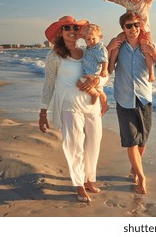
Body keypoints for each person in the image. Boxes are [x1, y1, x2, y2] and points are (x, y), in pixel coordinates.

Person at [39, 16, 106, 203]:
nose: (71, 30)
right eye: (66, 27)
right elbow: (48, 84)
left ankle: (89, 179)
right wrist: (43, 111)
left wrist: (97, 81)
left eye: (75, 28)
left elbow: (104, 74)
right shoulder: (54, 56)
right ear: (60, 32)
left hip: (92, 105)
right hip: (69, 105)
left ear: (80, 32)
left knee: (94, 142)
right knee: (75, 145)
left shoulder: (88, 51)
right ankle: (78, 184)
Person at [107, 11, 156, 194]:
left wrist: (153, 53)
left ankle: (135, 167)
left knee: (142, 141)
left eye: (136, 24)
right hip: (123, 98)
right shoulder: (118, 46)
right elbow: (108, 69)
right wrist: (109, 47)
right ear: (123, 28)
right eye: (129, 25)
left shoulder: (150, 45)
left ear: (140, 26)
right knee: (131, 142)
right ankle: (141, 176)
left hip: (144, 98)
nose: (133, 28)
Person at [78, 23, 109, 116]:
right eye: (88, 39)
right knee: (100, 91)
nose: (91, 41)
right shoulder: (88, 49)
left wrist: (104, 70)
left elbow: (104, 60)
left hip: (93, 74)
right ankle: (105, 106)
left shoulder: (99, 48)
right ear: (84, 40)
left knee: (79, 83)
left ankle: (93, 94)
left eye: (93, 38)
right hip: (90, 72)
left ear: (100, 37)